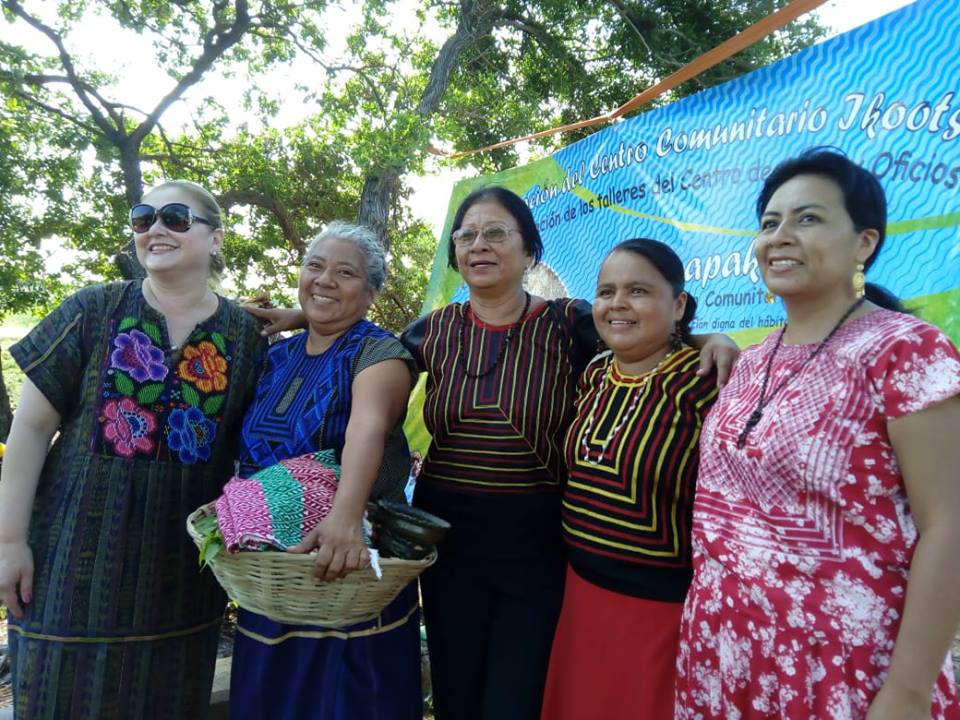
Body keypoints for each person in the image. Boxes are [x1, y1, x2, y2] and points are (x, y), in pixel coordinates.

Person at [396, 186, 740, 720]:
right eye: (466, 235)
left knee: (517, 699)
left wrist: (710, 339)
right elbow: (366, 356)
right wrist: (305, 317)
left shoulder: (568, 321)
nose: (478, 245)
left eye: (496, 233)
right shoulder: (432, 330)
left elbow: (636, 331)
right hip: (450, 551)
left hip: (539, 553)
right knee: (455, 692)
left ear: (530, 251)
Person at [674, 148, 960, 719]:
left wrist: (906, 692)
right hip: (721, 651)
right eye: (769, 223)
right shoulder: (751, 361)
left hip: (844, 668)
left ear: (864, 243)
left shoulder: (905, 351)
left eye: (808, 218)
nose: (780, 236)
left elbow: (949, 523)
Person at [0, 180, 267, 718]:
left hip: (180, 580)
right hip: (70, 568)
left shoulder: (245, 338)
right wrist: (8, 542)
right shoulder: (92, 311)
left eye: (174, 217)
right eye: (143, 219)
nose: (155, 229)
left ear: (216, 240)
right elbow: (28, 430)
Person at [229, 221, 422, 720]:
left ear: (372, 291)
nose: (324, 280)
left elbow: (367, 430)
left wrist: (343, 518)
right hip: (270, 570)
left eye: (345, 273)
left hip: (343, 562)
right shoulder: (278, 355)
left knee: (344, 699)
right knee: (267, 695)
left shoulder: (379, 353)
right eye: (314, 266)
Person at [539, 239, 718, 720]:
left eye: (638, 290)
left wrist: (715, 339)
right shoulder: (595, 373)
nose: (617, 304)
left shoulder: (708, 380)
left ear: (678, 304)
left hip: (659, 611)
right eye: (606, 291)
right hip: (579, 595)